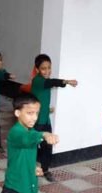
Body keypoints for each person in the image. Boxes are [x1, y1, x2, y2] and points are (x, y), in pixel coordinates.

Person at [30, 54, 78, 182]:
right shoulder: (38, 80)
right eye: (43, 68)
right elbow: (51, 82)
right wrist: (66, 81)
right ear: (37, 69)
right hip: (36, 121)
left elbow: (42, 96)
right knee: (32, 146)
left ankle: (45, 170)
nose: (47, 71)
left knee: (48, 146)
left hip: (45, 119)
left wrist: (47, 108)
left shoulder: (45, 81)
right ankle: (29, 169)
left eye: (49, 68)